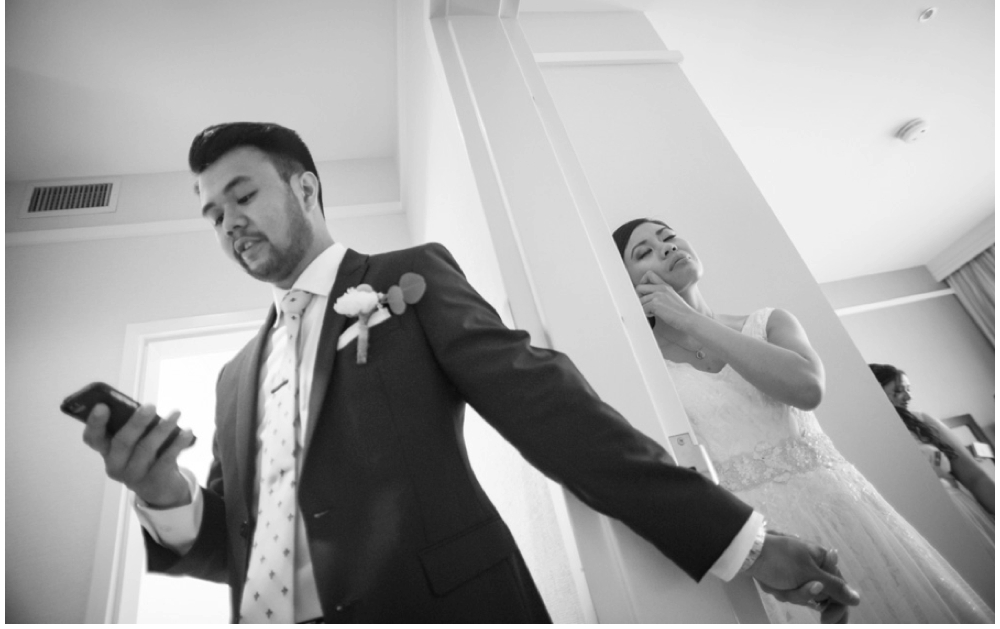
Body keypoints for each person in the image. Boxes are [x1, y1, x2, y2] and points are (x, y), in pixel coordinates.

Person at [82, 123, 859, 624]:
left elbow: (554, 414)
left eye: (241, 195)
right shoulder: (231, 379)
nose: (229, 223)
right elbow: (237, 548)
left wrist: (743, 542)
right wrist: (166, 499)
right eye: (213, 214)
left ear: (305, 188)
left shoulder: (405, 279)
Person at [613, 217, 995, 623]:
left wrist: (690, 319)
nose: (667, 247)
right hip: (766, 543)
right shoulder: (644, 369)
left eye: (669, 236)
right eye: (645, 251)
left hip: (846, 509)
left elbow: (806, 389)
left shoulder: (769, 322)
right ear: (627, 283)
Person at [869, 363, 995, 546]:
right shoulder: (865, 438)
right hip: (913, 529)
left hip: (961, 514)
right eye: (899, 390)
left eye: (908, 390)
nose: (908, 396)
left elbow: (975, 477)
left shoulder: (922, 422)